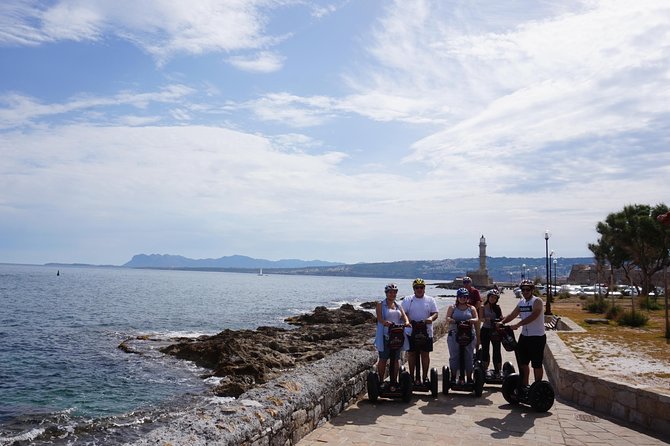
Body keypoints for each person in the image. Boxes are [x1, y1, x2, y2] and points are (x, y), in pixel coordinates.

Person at [500, 279, 546, 387]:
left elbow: (534, 316)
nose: (525, 292)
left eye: (527, 289)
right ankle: (524, 386)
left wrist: (518, 324)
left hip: (537, 337)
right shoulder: (522, 302)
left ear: (532, 290)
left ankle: (537, 387)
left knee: (537, 364)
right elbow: (513, 314)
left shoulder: (537, 301)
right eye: (523, 289)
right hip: (524, 337)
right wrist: (502, 322)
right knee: (523, 363)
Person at [402, 278, 438, 385]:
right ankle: (412, 377)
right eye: (417, 287)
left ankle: (425, 377)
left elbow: (435, 313)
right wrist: (408, 320)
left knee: (425, 354)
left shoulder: (430, 300)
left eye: (421, 287)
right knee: (411, 354)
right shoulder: (408, 299)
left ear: (424, 289)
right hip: (411, 331)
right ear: (414, 289)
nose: (419, 289)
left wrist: (430, 319)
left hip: (426, 331)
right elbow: (403, 312)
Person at [374, 283, 410, 386]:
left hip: (397, 336)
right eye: (390, 292)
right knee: (383, 359)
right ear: (386, 293)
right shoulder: (380, 305)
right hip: (386, 336)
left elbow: (404, 317)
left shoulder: (398, 306)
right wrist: (385, 322)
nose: (392, 294)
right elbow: (380, 318)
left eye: (394, 292)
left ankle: (394, 381)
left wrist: (407, 322)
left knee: (396, 359)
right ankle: (381, 381)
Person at [445, 287, 478, 383]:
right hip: (454, 334)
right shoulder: (452, 307)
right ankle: (453, 377)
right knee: (454, 356)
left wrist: (471, 320)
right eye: (460, 296)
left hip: (468, 334)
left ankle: (469, 378)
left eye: (464, 297)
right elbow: (447, 317)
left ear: (467, 297)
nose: (462, 298)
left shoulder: (471, 308)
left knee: (469, 355)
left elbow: (476, 318)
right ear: (457, 297)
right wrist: (451, 320)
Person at [479, 289, 504, 377]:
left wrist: (501, 320)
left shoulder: (497, 307)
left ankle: (498, 370)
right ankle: (485, 369)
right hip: (485, 330)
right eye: (491, 297)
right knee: (485, 350)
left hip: (495, 331)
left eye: (495, 298)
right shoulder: (482, 307)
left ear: (497, 299)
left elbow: (501, 318)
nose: (492, 299)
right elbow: (480, 318)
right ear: (488, 297)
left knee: (497, 350)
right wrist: (487, 319)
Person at [462, 276, 482, 347]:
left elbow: (478, 302)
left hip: (475, 315)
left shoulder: (474, 291)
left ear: (471, 283)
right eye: (464, 282)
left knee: (477, 333)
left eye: (468, 282)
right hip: (465, 315)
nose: (466, 284)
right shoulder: (462, 292)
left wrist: (472, 311)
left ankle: (477, 349)